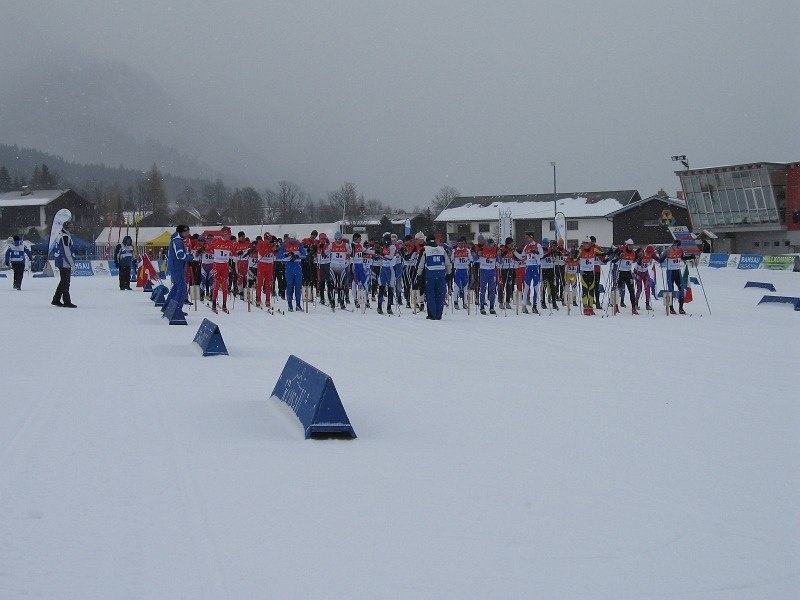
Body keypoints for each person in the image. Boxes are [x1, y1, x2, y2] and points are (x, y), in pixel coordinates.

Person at [416, 234, 452, 320]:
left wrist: (418, 275)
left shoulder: (425, 250)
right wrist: (449, 274)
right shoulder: (442, 249)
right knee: (440, 294)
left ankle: (432, 314)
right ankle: (439, 314)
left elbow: (421, 264)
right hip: (441, 274)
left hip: (430, 274)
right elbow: (448, 263)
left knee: (430, 294)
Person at [655, 239, 693, 314]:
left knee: (682, 289)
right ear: (674, 245)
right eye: (677, 246)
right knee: (670, 290)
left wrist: (690, 257)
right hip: (670, 272)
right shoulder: (668, 250)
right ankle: (670, 308)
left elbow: (683, 257)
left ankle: (681, 308)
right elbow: (660, 260)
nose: (678, 248)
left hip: (677, 272)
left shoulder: (680, 250)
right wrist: (659, 254)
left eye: (679, 246)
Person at [163, 225, 191, 314]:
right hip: (177, 267)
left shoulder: (177, 240)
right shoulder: (178, 241)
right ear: (182, 232)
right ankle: (176, 309)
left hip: (176, 267)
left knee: (176, 287)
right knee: (181, 288)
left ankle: (167, 306)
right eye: (187, 231)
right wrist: (189, 257)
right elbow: (180, 255)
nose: (188, 233)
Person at [278, 232, 307, 312]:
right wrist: (287, 255)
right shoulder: (285, 244)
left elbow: (304, 254)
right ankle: (289, 304)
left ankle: (298, 305)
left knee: (298, 286)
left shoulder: (299, 244)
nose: (292, 241)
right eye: (290, 239)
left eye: (293, 239)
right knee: (289, 286)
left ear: (295, 238)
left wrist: (297, 256)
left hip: (297, 267)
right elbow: (279, 256)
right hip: (289, 267)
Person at [52, 220, 77, 307]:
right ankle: (66, 301)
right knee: (65, 282)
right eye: (71, 227)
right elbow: (66, 252)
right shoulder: (65, 237)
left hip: (61, 261)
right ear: (67, 228)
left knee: (63, 282)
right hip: (64, 262)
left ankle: (56, 299)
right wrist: (71, 263)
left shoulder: (61, 235)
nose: (73, 228)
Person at [477, 237, 498, 314]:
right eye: (488, 245)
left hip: (492, 271)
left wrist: (499, 255)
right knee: (483, 289)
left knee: (492, 290)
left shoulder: (495, 250)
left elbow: (500, 261)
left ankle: (492, 307)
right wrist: (477, 254)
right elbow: (474, 259)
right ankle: (482, 306)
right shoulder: (482, 249)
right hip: (483, 271)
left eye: (491, 245)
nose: (490, 247)